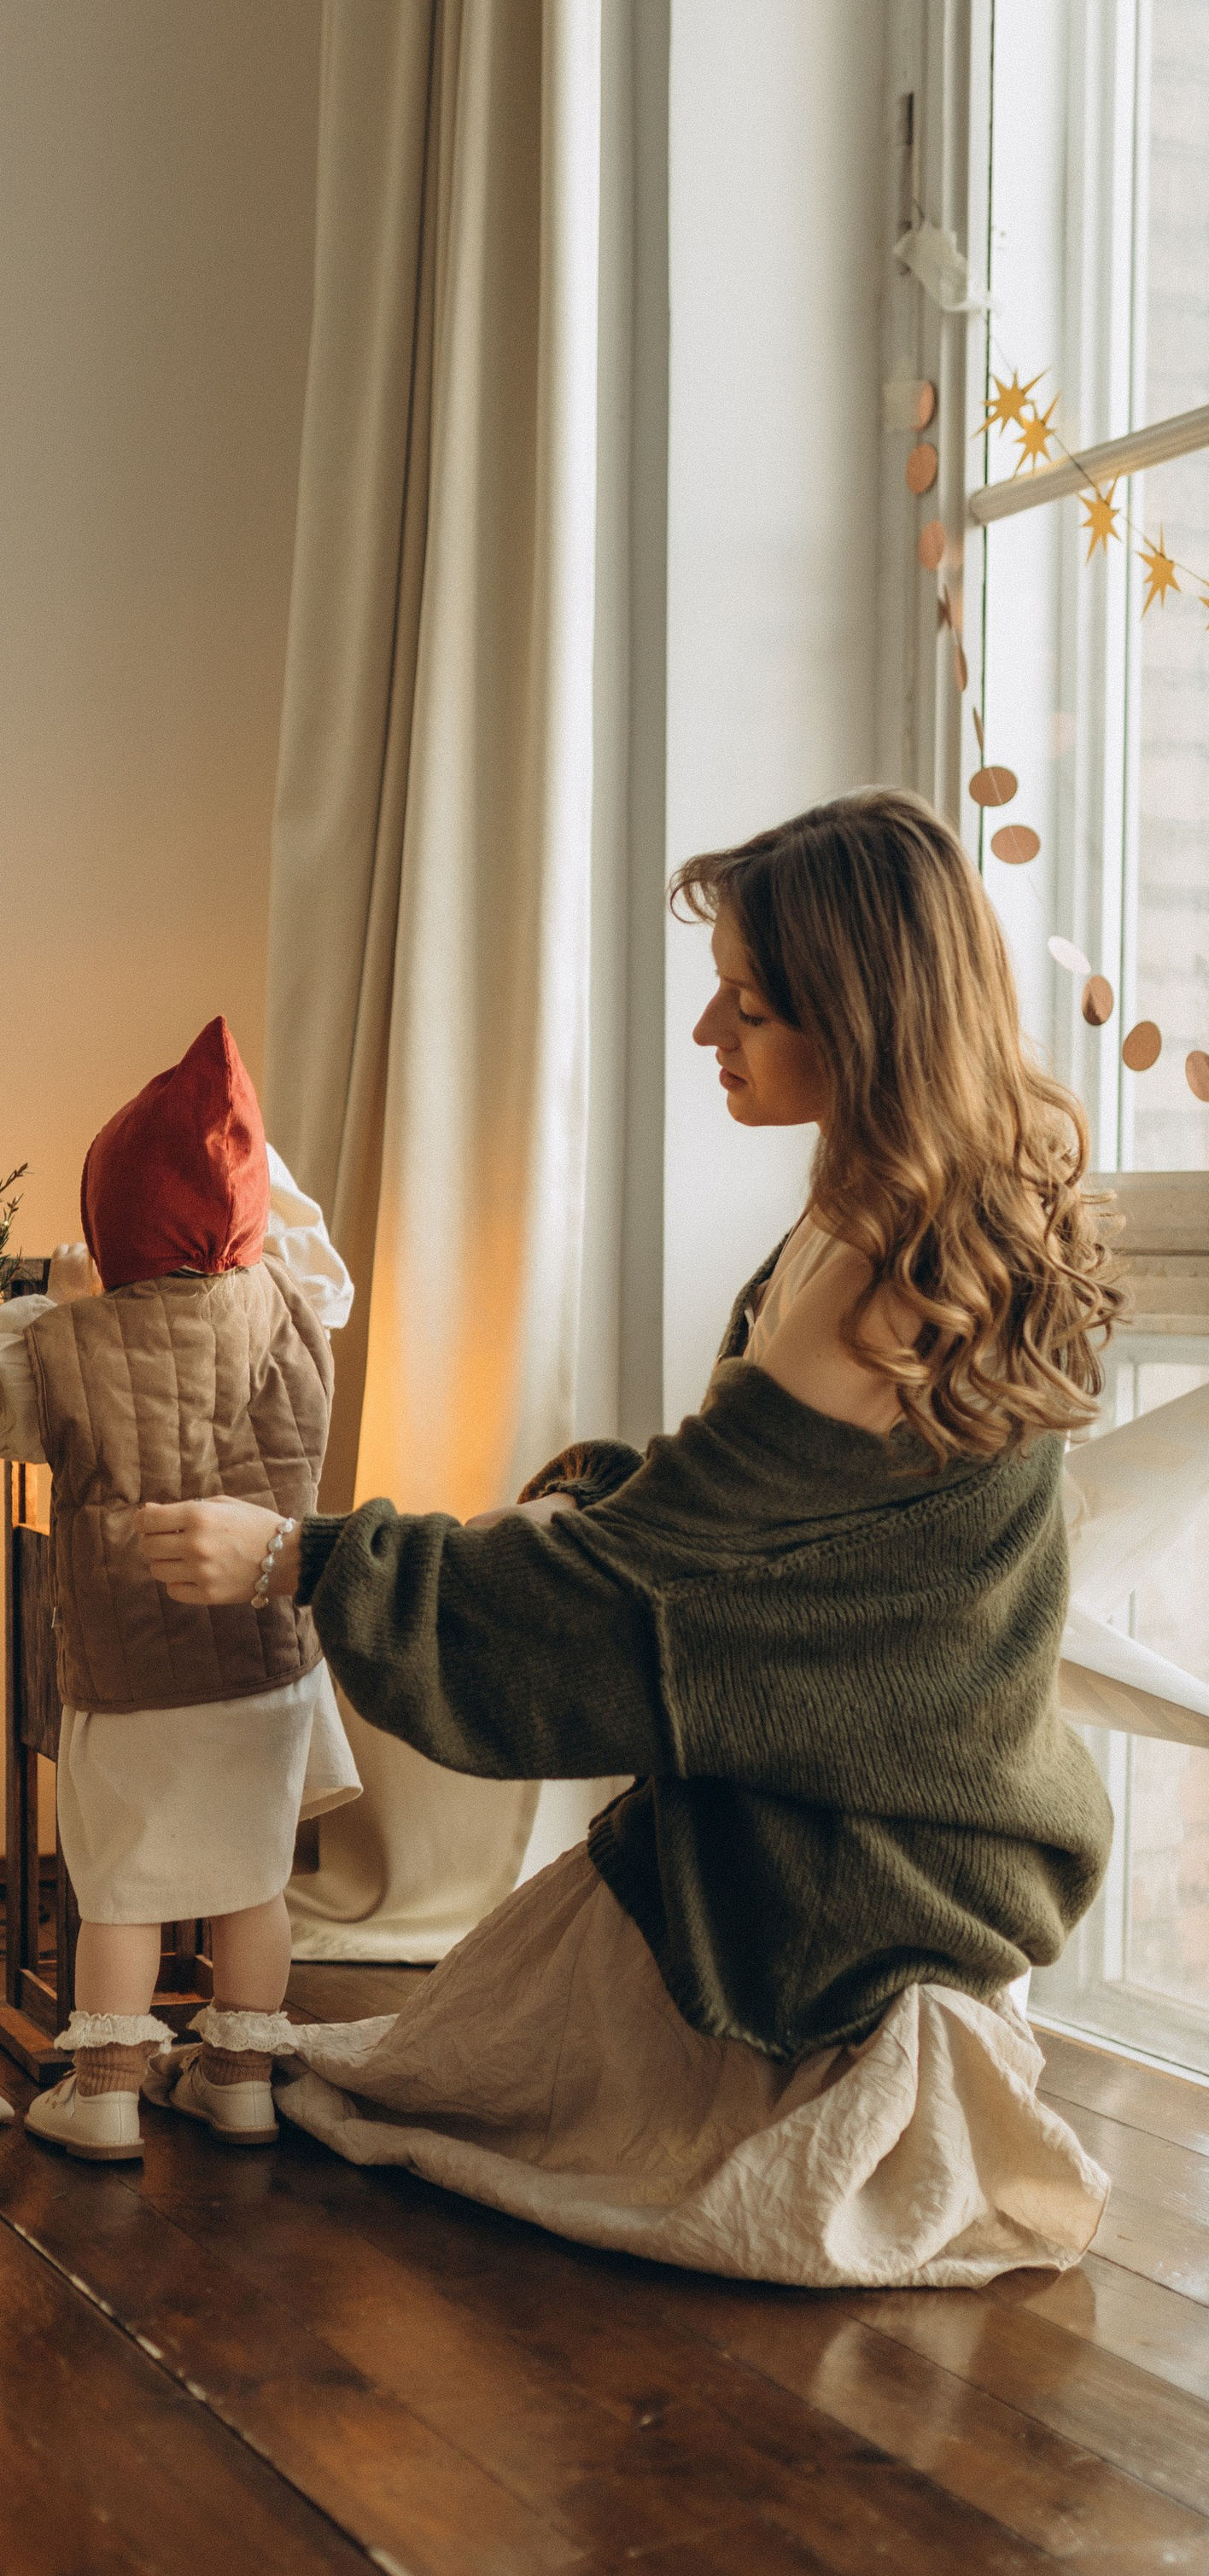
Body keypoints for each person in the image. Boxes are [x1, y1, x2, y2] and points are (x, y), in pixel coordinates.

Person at [137, 792, 1127, 2287]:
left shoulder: (879, 1272)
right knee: (420, 2062)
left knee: (426, 2099)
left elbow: (643, 1579)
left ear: (860, 1021)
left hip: (883, 1844)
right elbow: (761, 1533)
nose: (706, 1033)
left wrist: (300, 1559)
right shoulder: (925, 1210)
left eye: (749, 1001)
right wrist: (592, 1488)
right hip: (932, 1784)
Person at [0, 1017, 359, 2160]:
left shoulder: (60, 1348)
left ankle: (109, 2092)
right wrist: (247, 1169)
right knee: (252, 1884)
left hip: (128, 1677)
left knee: (121, 1888)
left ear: (106, 1223)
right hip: (267, 1663)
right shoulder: (295, 1306)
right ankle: (237, 2082)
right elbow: (306, 1245)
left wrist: (57, 1301)